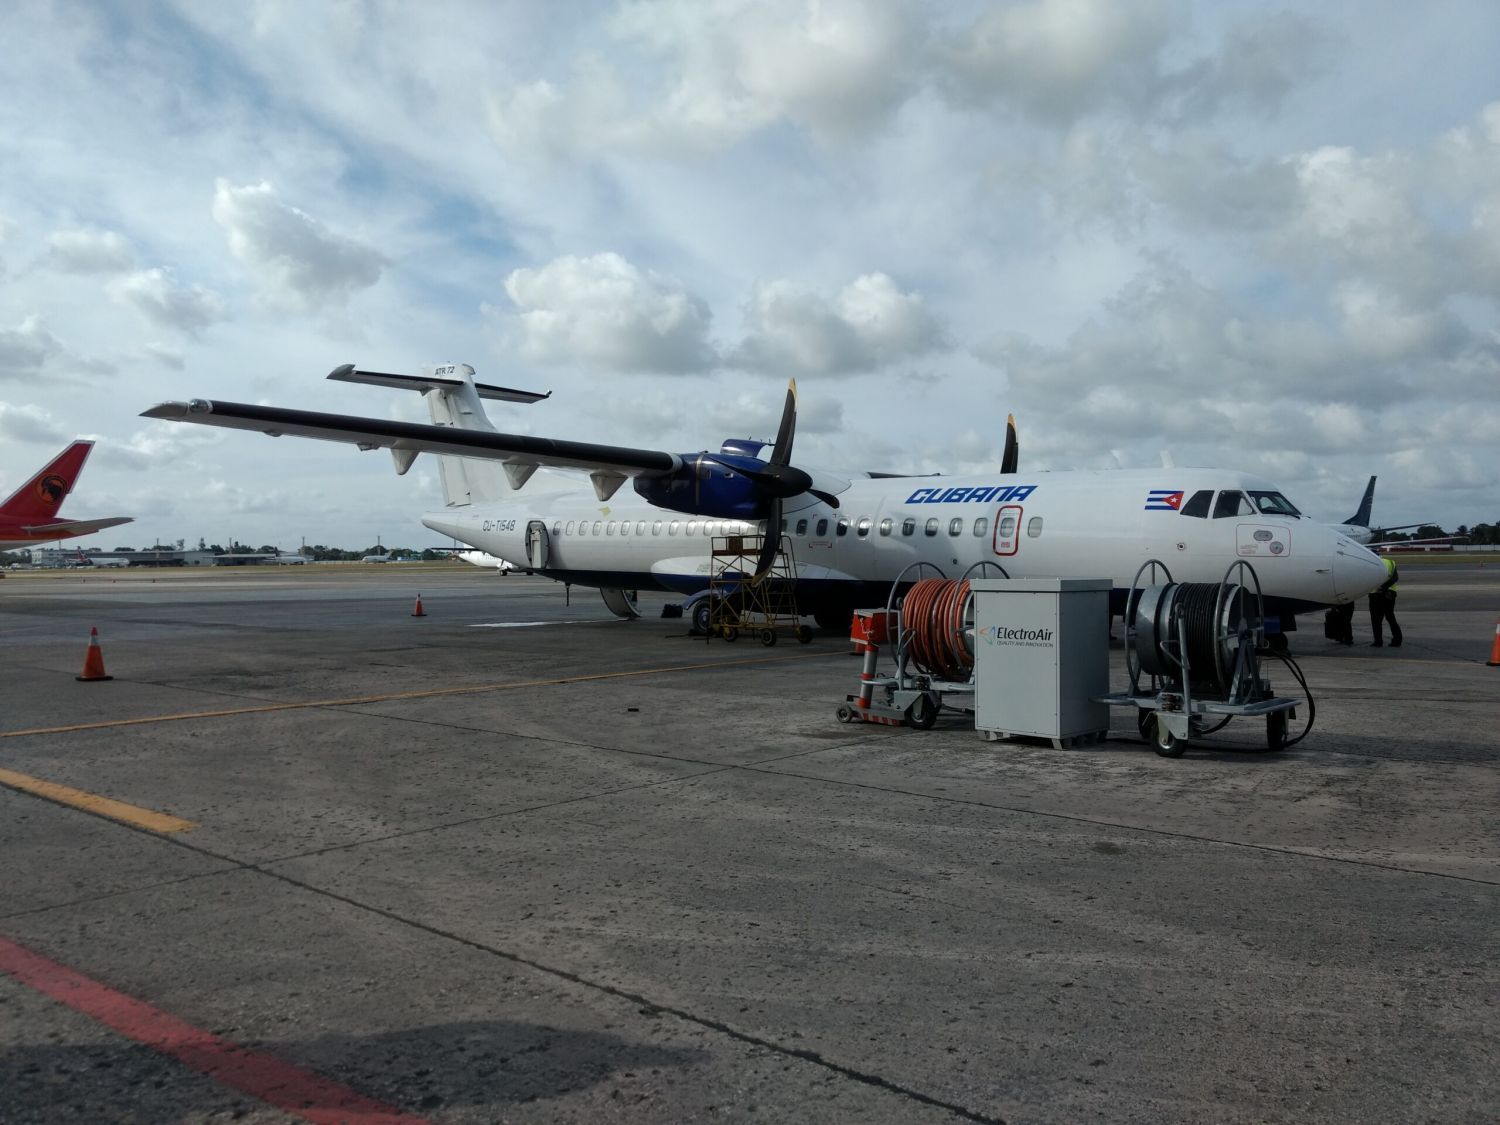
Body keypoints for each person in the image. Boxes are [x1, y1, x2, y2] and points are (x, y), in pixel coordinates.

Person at [1368, 555, 1402, 648]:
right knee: (1390, 617)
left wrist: (1381, 588)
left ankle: (1378, 641)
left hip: (1376, 594)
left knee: (1376, 620)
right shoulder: (1390, 562)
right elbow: (1395, 578)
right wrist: (1386, 587)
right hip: (1390, 594)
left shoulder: (1369, 563)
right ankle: (1397, 640)